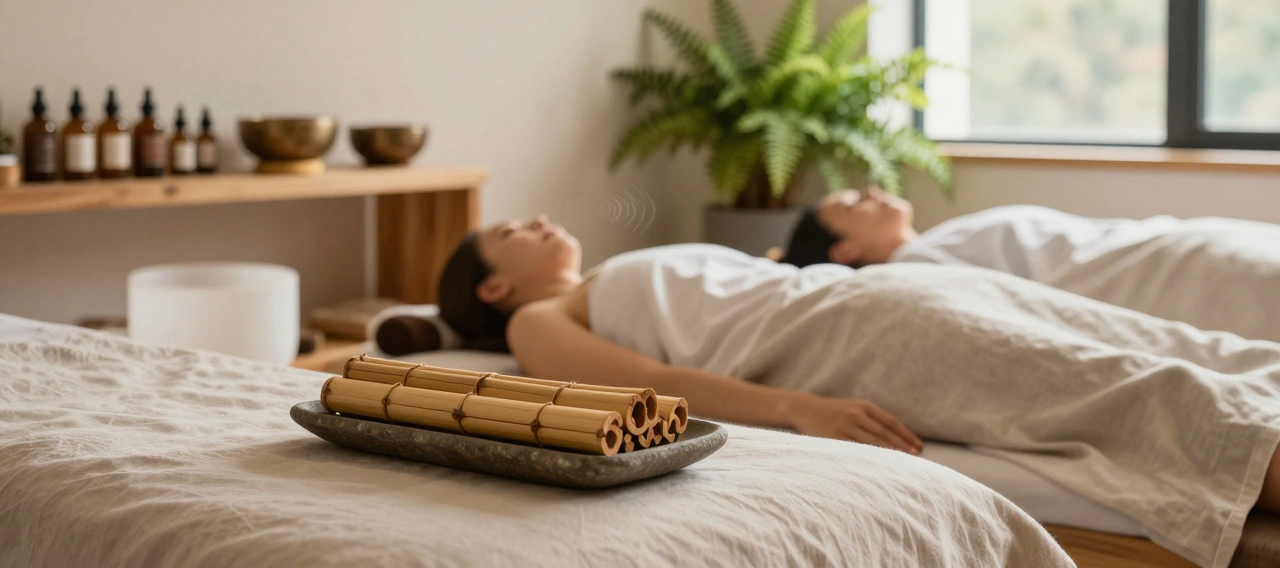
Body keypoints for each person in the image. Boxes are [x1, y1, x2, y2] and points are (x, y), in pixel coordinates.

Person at [435, 215, 1280, 568]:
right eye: (513, 231)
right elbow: (652, 387)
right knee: (1140, 391)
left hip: (891, 297)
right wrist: (800, 410)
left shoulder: (620, 268)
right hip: (861, 339)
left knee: (1199, 352)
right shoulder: (536, 321)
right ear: (494, 291)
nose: (539, 219)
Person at [781, 187, 1280, 341]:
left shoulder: (937, 243)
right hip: (1142, 273)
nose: (871, 191)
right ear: (844, 252)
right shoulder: (917, 275)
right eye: (852, 206)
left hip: (1154, 242)